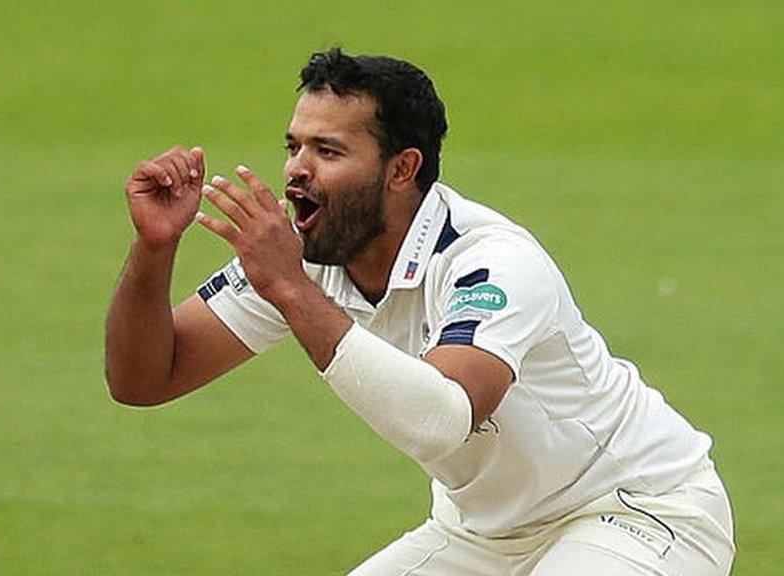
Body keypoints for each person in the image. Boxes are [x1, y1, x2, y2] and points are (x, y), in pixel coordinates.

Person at [105, 47, 735, 575]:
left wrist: (292, 290)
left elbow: (444, 418)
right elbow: (145, 379)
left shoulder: (491, 261)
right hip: (480, 538)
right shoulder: (306, 253)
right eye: (293, 146)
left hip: (636, 510)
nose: (296, 171)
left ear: (402, 168)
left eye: (327, 152)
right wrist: (154, 248)